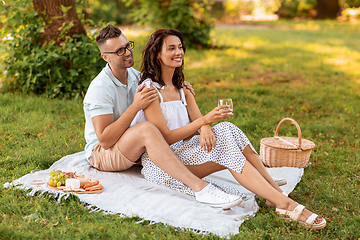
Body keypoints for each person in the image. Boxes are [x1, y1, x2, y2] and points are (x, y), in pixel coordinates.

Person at [131, 28, 326, 229]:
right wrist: (204, 122)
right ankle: (283, 203)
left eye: (180, 47)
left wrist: (205, 126)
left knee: (227, 128)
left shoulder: (182, 88)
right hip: (163, 164)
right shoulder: (150, 91)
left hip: (184, 152)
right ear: (157, 54)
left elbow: (200, 121)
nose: (178, 52)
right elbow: (165, 139)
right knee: (225, 145)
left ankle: (273, 192)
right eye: (171, 48)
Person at [82, 24, 244, 209]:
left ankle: (254, 176)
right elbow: (104, 141)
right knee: (147, 130)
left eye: (128, 46)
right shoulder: (100, 88)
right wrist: (135, 107)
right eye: (119, 51)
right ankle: (200, 188)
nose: (127, 52)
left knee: (154, 133)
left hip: (131, 147)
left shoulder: (137, 77)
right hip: (103, 154)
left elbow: (163, 85)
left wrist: (180, 87)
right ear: (105, 57)